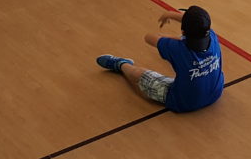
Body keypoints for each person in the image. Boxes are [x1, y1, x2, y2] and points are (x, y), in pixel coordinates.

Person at [95, 6, 224, 114]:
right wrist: (174, 19)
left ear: (183, 32)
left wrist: (171, 20)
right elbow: (197, 27)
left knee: (138, 74)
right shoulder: (212, 35)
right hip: (215, 92)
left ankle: (121, 64)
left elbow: (149, 37)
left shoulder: (176, 48)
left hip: (183, 102)